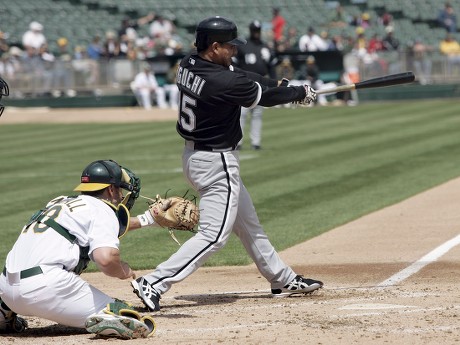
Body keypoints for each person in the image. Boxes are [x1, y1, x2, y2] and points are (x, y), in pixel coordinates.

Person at [131, 15, 322, 313]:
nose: (234, 50)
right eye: (229, 46)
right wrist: (298, 93)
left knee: (248, 224)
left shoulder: (189, 63)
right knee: (213, 236)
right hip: (216, 161)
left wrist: (280, 83)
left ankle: (281, 278)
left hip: (195, 157)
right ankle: (154, 282)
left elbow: (244, 75)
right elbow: (263, 97)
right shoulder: (222, 81)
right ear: (214, 46)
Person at [0, 159, 161, 338]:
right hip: (46, 289)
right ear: (110, 189)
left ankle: (3, 313)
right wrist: (123, 270)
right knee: (130, 318)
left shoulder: (61, 202)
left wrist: (148, 219)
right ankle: (106, 316)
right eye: (120, 189)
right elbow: (106, 259)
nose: (122, 195)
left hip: (6, 288)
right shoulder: (102, 209)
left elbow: (103, 227)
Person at [233, 20, 277, 150]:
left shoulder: (265, 47)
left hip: (260, 84)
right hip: (244, 84)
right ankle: (238, 142)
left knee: (257, 114)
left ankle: (256, 142)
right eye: (254, 30)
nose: (256, 33)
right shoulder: (243, 46)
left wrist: (274, 83)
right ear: (251, 30)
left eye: (258, 30)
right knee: (241, 113)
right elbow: (234, 64)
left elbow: (272, 66)